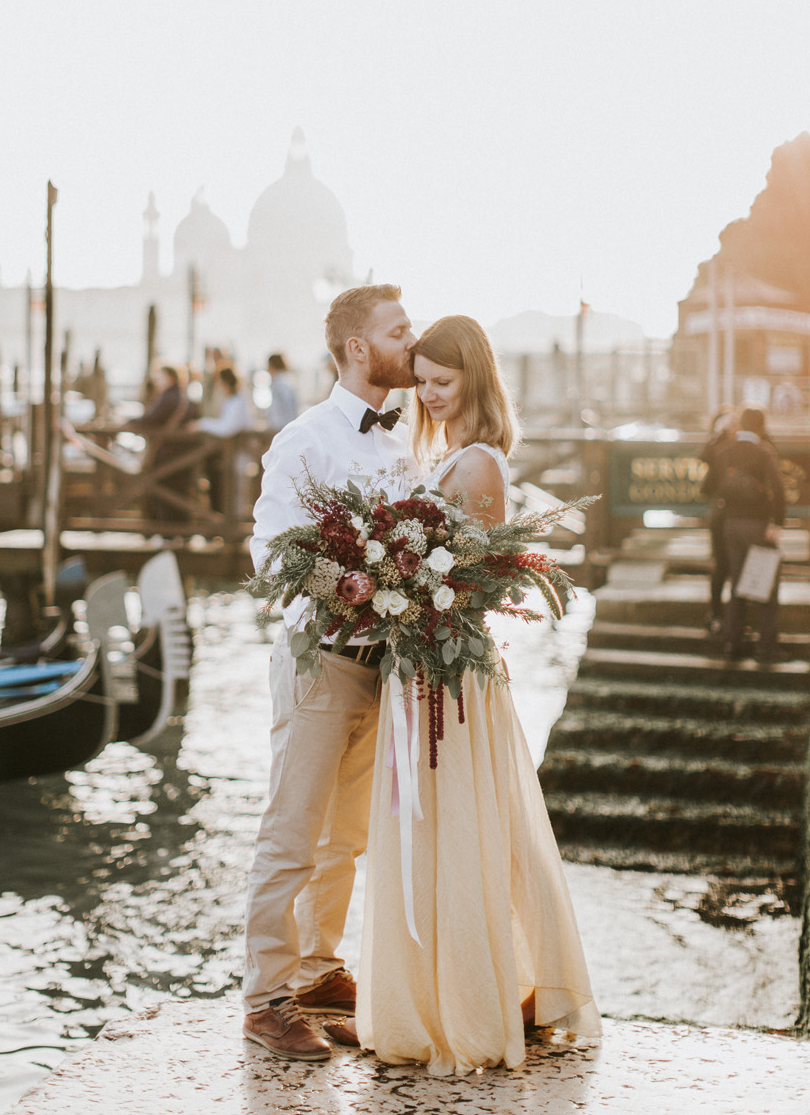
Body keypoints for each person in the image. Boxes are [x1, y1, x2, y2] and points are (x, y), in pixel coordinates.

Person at [326, 315, 601, 1075]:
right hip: (419, 668)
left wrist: (394, 591)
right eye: (422, 383)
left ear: (474, 379)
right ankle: (428, 998)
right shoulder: (442, 455)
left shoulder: (477, 463)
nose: (429, 396)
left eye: (442, 383)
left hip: (446, 677)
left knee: (455, 833)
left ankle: (466, 1007)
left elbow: (466, 589)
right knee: (429, 833)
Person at [243, 283, 417, 1062]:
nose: (410, 344)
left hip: (382, 667)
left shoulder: (398, 443)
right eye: (398, 331)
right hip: (320, 659)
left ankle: (318, 969)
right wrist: (346, 585)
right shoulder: (304, 437)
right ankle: (265, 999)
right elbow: (269, 551)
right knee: (291, 832)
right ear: (357, 348)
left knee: (345, 836)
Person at [713, 404, 786, 663]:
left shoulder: (726, 453)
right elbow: (778, 490)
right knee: (764, 584)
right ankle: (766, 648)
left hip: (731, 525)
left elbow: (713, 486)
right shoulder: (764, 453)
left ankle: (732, 644)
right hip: (758, 526)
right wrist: (776, 523)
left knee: (737, 585)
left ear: (741, 425)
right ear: (762, 426)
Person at [125, 365, 198, 523]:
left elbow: (151, 419)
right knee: (179, 493)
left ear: (170, 378)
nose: (157, 381)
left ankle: (167, 532)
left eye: (160, 377)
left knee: (166, 492)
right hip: (182, 453)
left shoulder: (169, 397)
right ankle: (180, 532)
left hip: (168, 452)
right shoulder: (184, 396)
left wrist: (128, 422)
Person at [699, 405, 736, 635]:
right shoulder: (717, 447)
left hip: (738, 514)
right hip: (721, 515)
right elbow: (702, 456)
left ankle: (732, 616)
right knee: (720, 565)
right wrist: (716, 433)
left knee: (737, 566)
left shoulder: (743, 446)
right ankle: (715, 613)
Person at [195, 367, 252, 514]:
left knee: (237, 488)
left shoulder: (237, 400)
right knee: (233, 487)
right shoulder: (232, 400)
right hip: (233, 451)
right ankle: (232, 520)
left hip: (239, 450)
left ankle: (236, 522)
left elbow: (228, 427)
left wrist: (202, 424)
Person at [266, 353, 299, 432]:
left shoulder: (282, 383)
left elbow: (288, 408)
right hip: (281, 427)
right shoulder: (280, 382)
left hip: (282, 427)